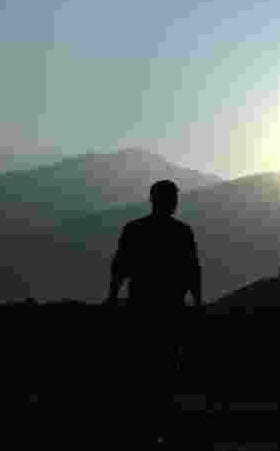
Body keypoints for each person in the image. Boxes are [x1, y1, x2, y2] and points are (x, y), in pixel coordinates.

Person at [105, 179, 201, 427]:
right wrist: (198, 301)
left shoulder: (135, 229)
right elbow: (192, 270)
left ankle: (144, 415)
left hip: (142, 305)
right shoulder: (181, 232)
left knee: (143, 362)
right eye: (172, 198)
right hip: (168, 307)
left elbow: (121, 266)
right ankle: (160, 415)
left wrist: (113, 296)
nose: (174, 203)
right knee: (164, 362)